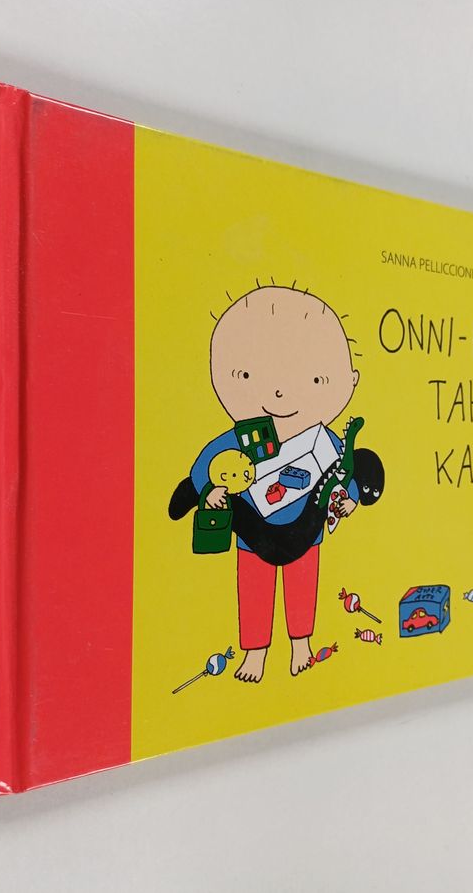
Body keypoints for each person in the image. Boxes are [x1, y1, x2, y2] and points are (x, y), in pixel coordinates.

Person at [189, 284, 361, 682]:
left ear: (348, 381)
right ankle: (255, 653)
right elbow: (204, 467)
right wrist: (210, 491)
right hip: (253, 538)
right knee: (254, 590)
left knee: (302, 586)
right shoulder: (241, 438)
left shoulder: (324, 439)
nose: (281, 393)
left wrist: (349, 499)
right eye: (249, 375)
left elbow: (345, 471)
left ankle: (301, 644)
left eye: (314, 379)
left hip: (307, 532)